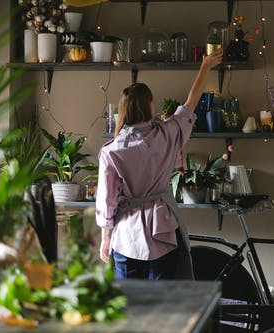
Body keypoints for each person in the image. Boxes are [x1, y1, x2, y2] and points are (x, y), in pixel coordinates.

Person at [95, 49, 223, 280]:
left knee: (129, 305)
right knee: (162, 305)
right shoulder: (167, 134)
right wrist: (205, 66)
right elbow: (190, 104)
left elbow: (107, 201)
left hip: (126, 235)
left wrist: (105, 238)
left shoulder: (111, 151)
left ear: (124, 110)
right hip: (162, 229)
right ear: (150, 105)